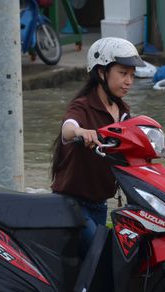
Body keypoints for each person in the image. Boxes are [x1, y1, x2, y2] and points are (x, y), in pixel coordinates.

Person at [50, 37, 145, 255]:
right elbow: (68, 127)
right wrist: (80, 131)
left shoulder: (122, 111)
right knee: (100, 253)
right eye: (123, 73)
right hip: (72, 204)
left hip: (100, 204)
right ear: (101, 72)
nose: (129, 81)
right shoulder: (83, 105)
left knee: (95, 265)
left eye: (132, 75)